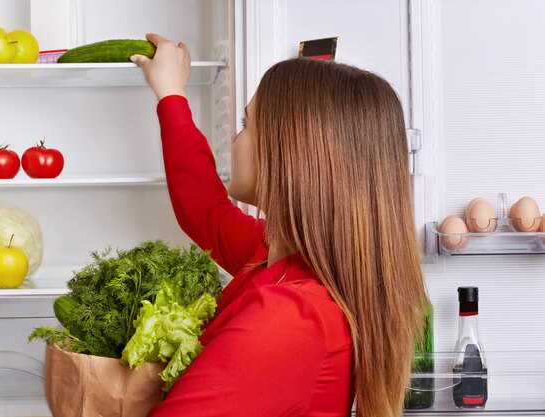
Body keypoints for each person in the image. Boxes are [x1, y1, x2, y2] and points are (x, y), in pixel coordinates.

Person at [131, 33, 427, 417]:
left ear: (290, 154)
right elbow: (205, 209)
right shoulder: (283, 259)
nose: (234, 139)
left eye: (246, 124)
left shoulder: (290, 317)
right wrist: (171, 94)